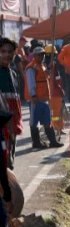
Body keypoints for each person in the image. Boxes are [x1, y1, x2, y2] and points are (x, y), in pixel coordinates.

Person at [25, 47, 64, 149]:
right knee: (34, 122)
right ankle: (36, 143)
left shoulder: (42, 66)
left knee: (47, 121)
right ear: (34, 56)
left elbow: (47, 77)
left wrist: (50, 69)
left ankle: (53, 142)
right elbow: (31, 83)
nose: (41, 56)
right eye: (39, 55)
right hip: (36, 99)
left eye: (42, 54)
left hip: (45, 99)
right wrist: (33, 95)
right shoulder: (31, 67)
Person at [0, 38, 23, 169]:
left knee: (9, 163)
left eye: (10, 52)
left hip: (12, 126)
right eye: (3, 51)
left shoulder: (13, 74)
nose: (7, 55)